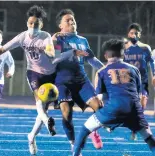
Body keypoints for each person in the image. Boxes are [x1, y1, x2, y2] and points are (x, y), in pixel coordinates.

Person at [0, 5, 88, 155]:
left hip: (52, 75)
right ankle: (48, 122)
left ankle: (31, 137)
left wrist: (50, 50)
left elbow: (51, 51)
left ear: (41, 25)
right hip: (34, 73)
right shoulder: (22, 37)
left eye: (36, 24)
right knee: (40, 104)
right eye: (30, 23)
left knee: (52, 109)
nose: (32, 26)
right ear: (27, 23)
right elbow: (3, 49)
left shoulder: (46, 36)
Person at [73, 39, 155, 156]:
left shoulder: (101, 71)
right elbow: (137, 94)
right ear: (123, 54)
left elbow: (99, 98)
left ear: (105, 55)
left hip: (113, 109)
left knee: (84, 130)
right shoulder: (134, 70)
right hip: (134, 109)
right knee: (149, 138)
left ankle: (75, 154)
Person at [52, 9, 104, 154]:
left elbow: (91, 59)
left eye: (72, 19)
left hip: (81, 80)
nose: (71, 21)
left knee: (99, 108)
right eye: (67, 20)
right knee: (66, 113)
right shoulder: (57, 39)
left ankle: (93, 131)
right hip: (63, 80)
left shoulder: (82, 40)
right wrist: (72, 52)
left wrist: (106, 69)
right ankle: (74, 144)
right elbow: (55, 59)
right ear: (60, 25)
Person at [123, 23, 155, 140]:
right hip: (129, 82)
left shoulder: (145, 48)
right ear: (128, 34)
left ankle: (135, 127)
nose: (134, 35)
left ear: (140, 34)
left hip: (142, 81)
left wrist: (154, 76)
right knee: (131, 106)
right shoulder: (124, 48)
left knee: (142, 104)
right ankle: (132, 126)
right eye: (132, 33)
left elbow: (152, 62)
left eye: (136, 33)